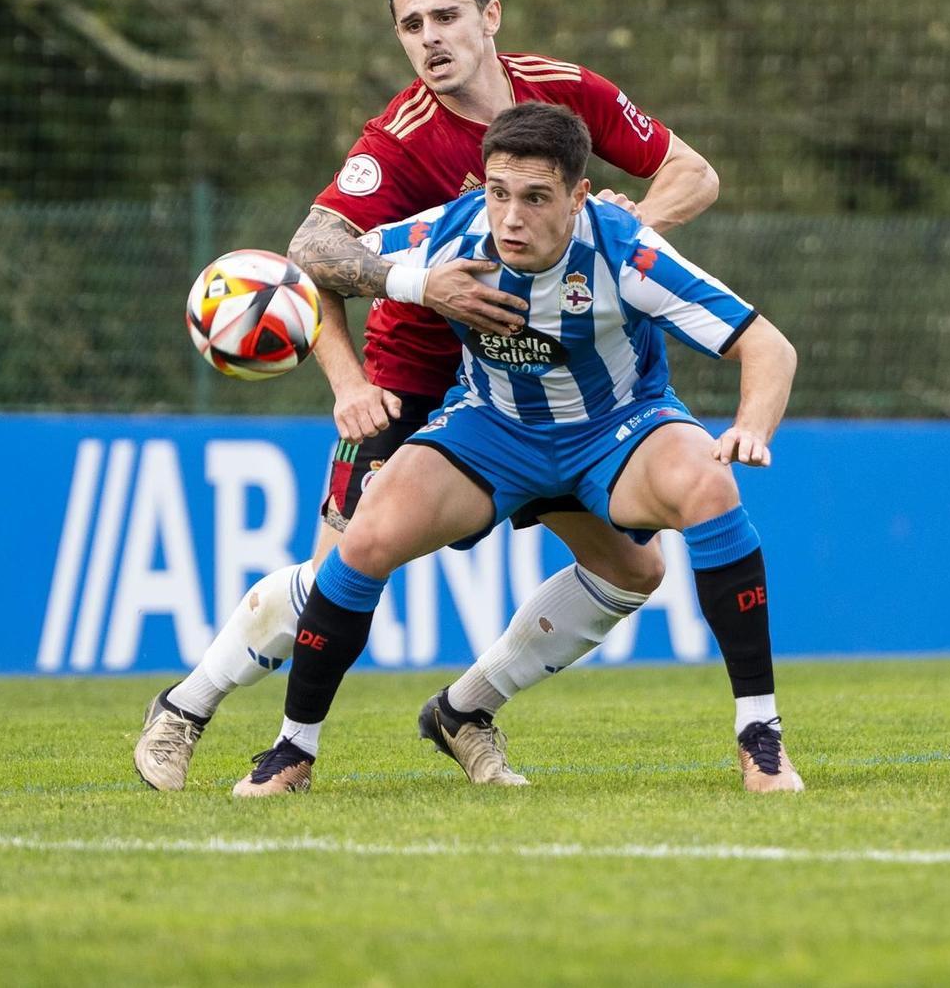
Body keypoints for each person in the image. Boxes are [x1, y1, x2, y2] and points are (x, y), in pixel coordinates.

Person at [135, 0, 777, 792]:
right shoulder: (396, 142)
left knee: (636, 569)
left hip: (549, 375)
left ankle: (464, 710)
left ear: (491, 17)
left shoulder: (565, 92)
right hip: (416, 380)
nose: (430, 40)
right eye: (411, 26)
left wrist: (623, 232)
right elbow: (313, 254)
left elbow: (694, 172)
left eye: (445, 18)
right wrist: (351, 385)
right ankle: (185, 707)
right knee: (341, 568)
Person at [233, 103, 801, 795]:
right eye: (499, 193)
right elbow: (314, 265)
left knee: (711, 488)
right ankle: (292, 750)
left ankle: (759, 737)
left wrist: (751, 426)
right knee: (367, 531)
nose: (510, 218)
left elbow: (766, 345)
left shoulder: (626, 250)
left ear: (578, 196)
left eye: (535, 198)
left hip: (615, 430)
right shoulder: (452, 230)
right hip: (491, 430)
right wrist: (357, 368)